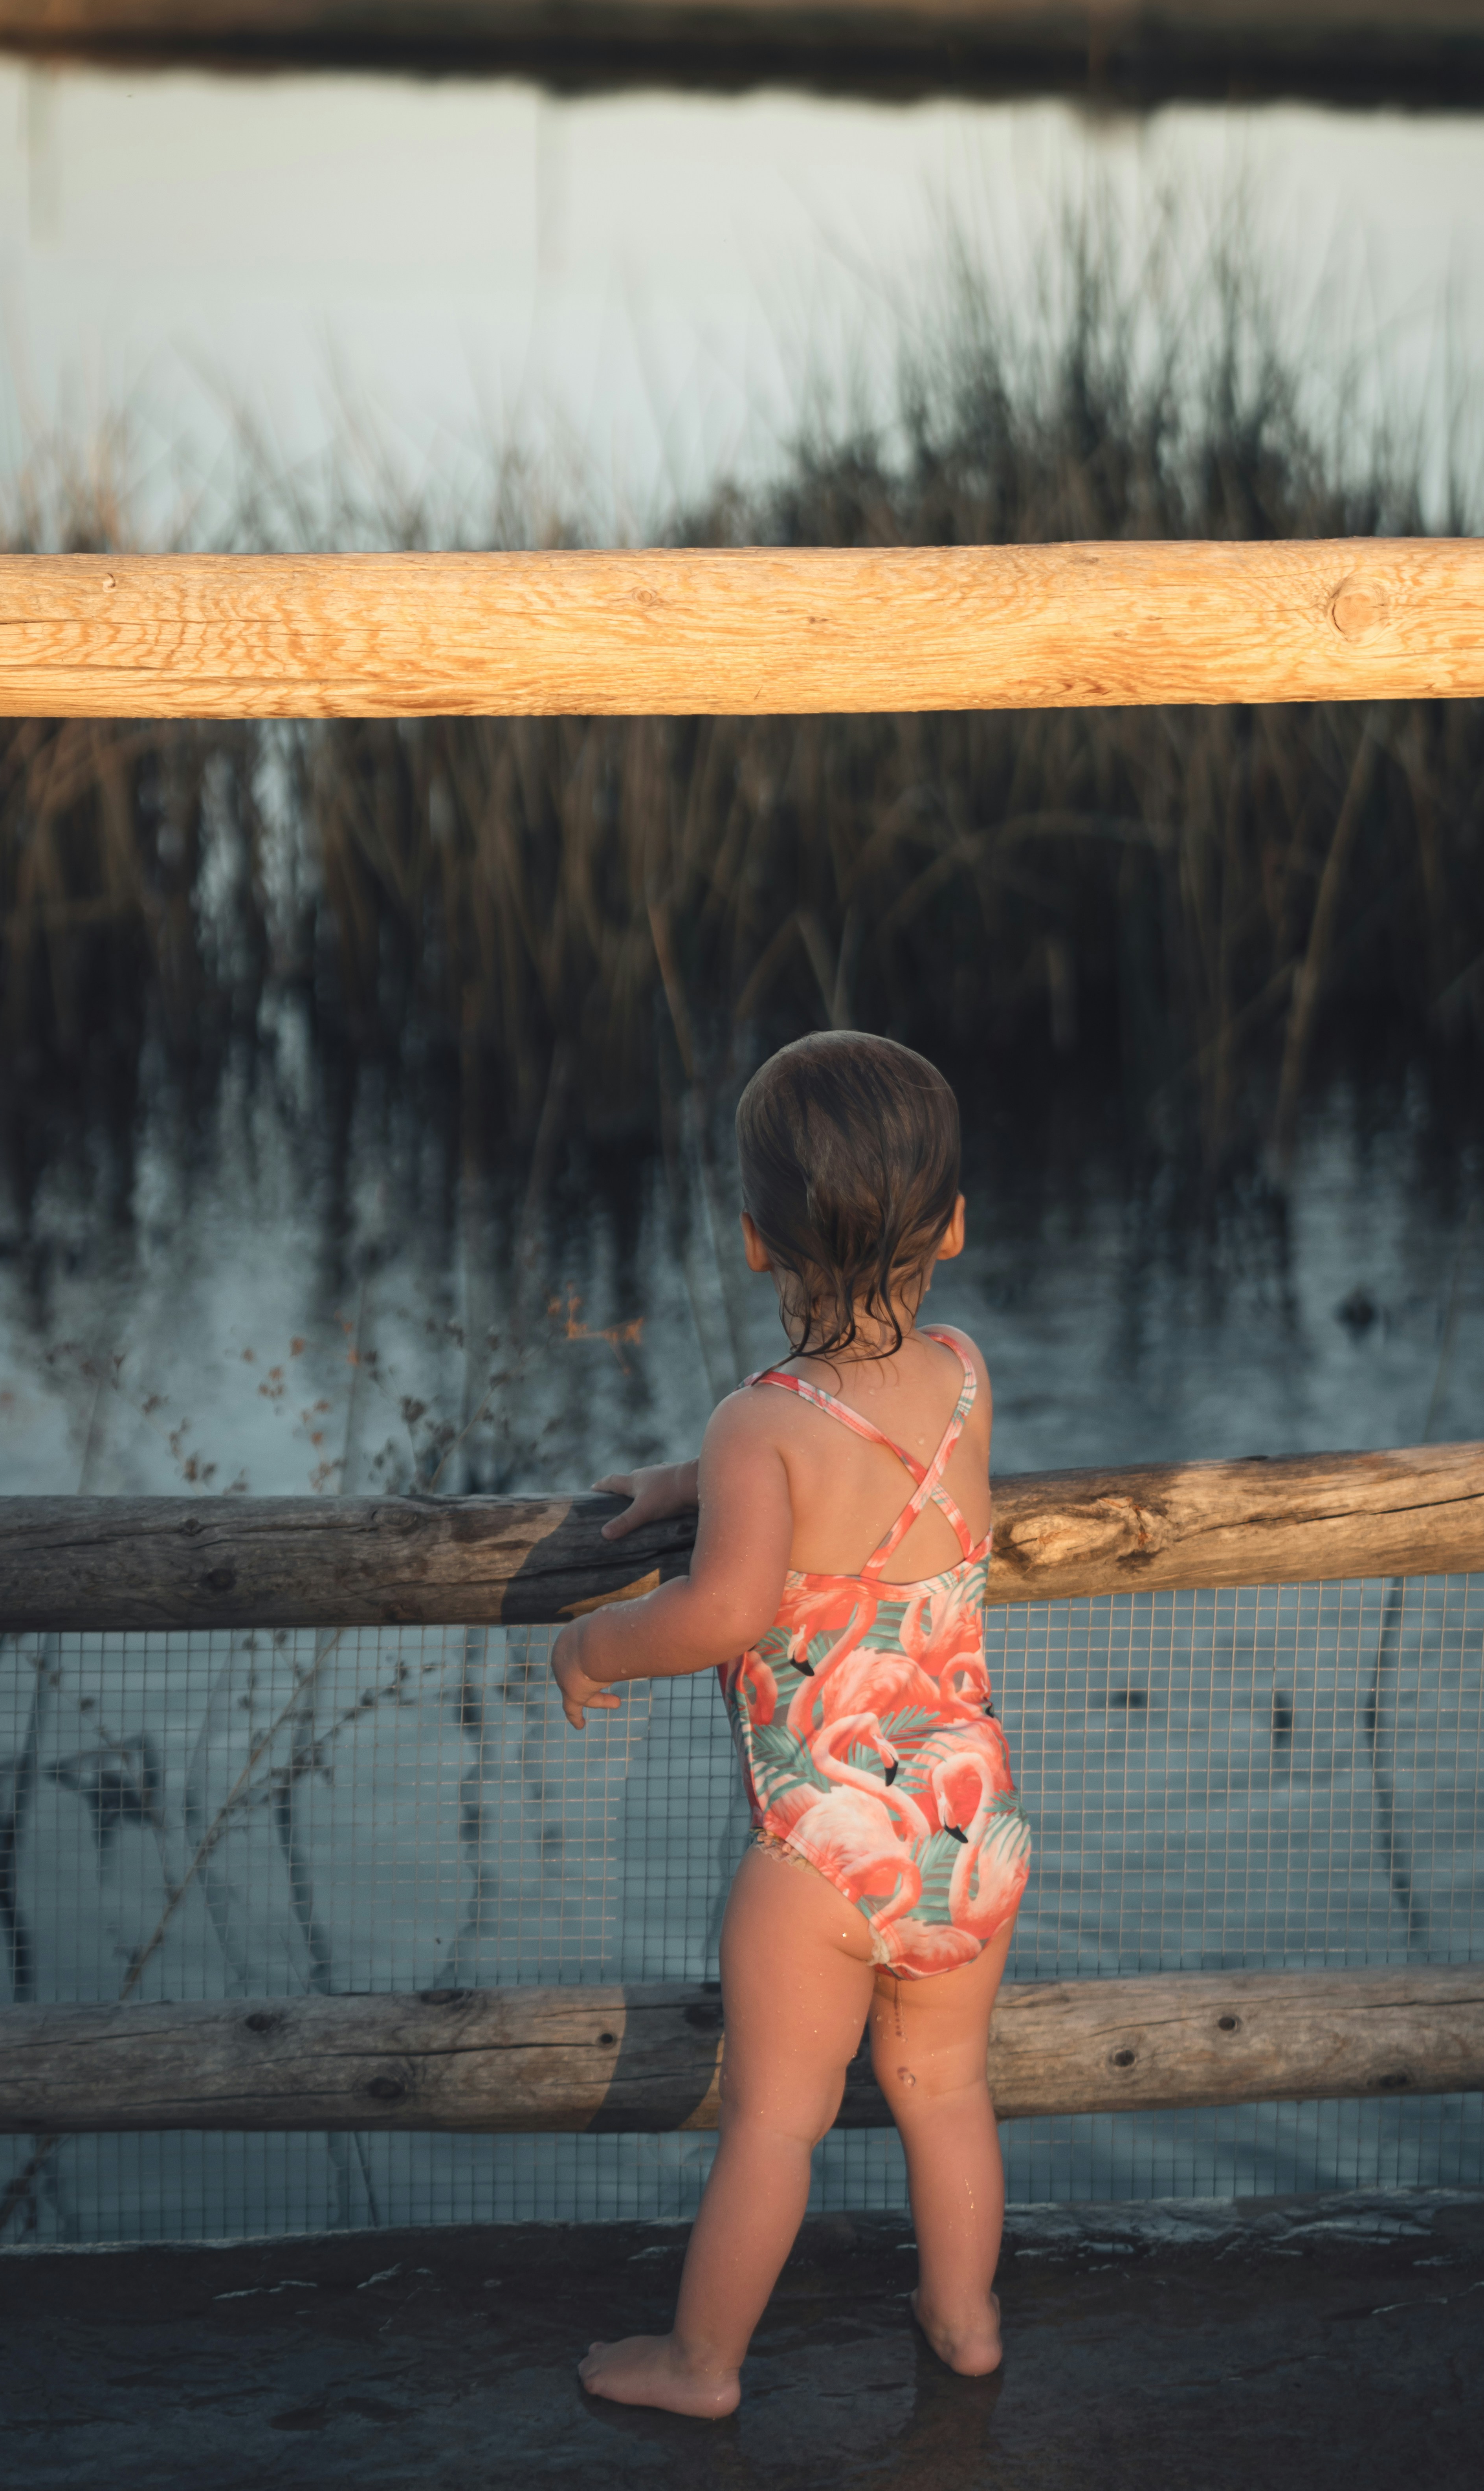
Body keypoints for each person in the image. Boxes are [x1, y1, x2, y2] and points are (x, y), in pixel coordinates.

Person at [550, 1029, 1031, 2419]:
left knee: (774, 2121)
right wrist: (689, 1475)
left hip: (820, 1849)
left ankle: (700, 2364)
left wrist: (594, 1642)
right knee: (945, 2091)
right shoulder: (964, 1373)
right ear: (952, 1222)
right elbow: (857, 1486)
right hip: (971, 1824)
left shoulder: (756, 1424)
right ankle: (964, 2320)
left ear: (755, 1242)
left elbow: (721, 1611)